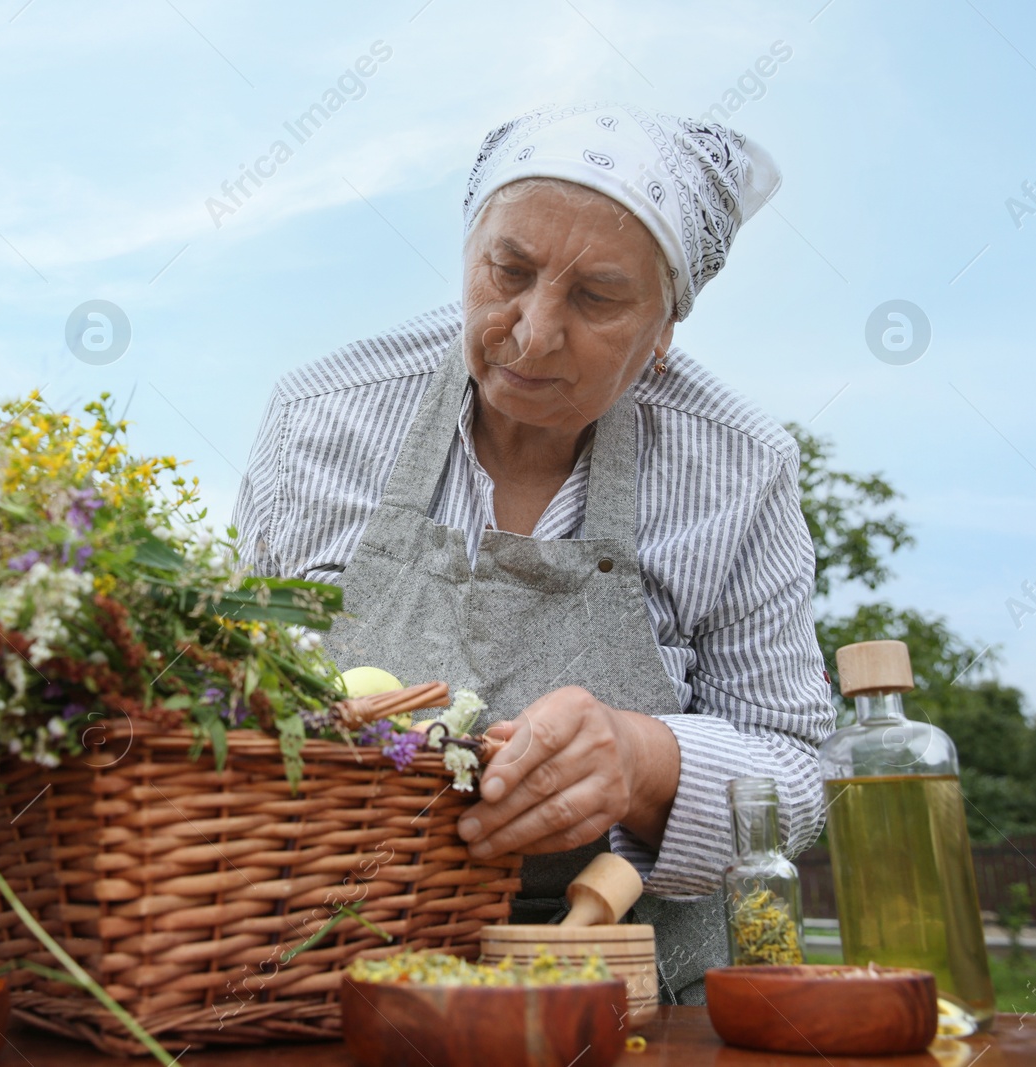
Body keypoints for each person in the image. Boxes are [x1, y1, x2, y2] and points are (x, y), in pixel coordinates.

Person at [232, 102, 835, 1004]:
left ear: (667, 327)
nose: (532, 331)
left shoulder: (739, 466)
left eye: (597, 298)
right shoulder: (323, 416)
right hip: (338, 981)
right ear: (470, 251)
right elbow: (227, 700)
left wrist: (642, 760)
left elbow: (799, 775)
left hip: (637, 992)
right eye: (507, 271)